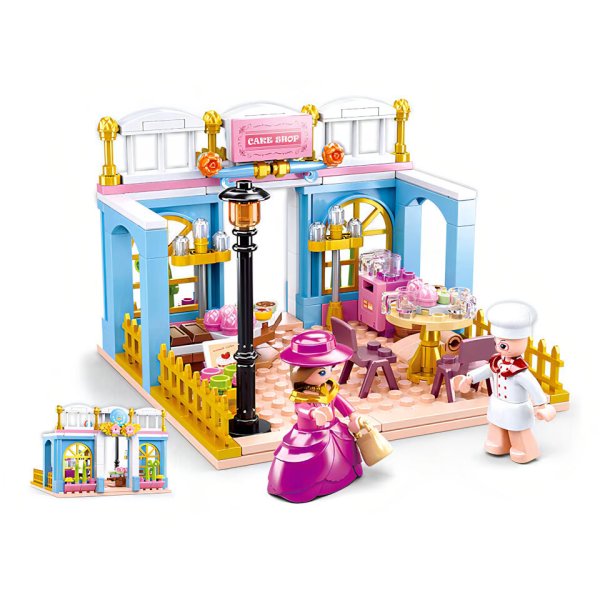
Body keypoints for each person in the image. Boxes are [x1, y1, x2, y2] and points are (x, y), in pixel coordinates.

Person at [452, 301, 556, 463]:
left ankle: (526, 450)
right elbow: (485, 370)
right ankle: (499, 443)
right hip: (497, 404)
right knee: (496, 425)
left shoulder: (520, 372)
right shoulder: (496, 362)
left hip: (516, 408)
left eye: (503, 344)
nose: (499, 347)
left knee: (517, 430)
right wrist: (470, 378)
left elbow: (534, 388)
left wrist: (542, 406)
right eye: (497, 343)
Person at [267, 330, 363, 502]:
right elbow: (301, 409)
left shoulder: (328, 388)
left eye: (329, 368)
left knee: (345, 449)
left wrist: (352, 415)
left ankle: (348, 473)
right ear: (301, 374)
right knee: (311, 461)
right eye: (322, 372)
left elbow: (339, 402)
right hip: (310, 434)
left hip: (334, 429)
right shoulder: (302, 395)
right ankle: (304, 488)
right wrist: (313, 413)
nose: (328, 374)